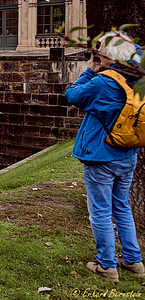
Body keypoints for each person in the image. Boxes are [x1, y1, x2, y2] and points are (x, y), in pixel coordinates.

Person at [64, 30, 145, 282]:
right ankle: (134, 261)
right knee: (121, 206)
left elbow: (73, 95)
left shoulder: (104, 81)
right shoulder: (140, 76)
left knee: (100, 210)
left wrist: (90, 69)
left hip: (101, 155)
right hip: (128, 152)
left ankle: (107, 265)